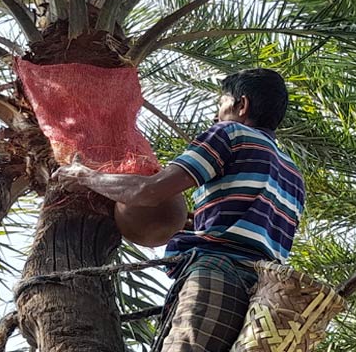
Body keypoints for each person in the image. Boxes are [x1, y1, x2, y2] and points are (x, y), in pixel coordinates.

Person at [53, 68, 305, 352]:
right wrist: (195, 223)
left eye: (219, 105)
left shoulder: (230, 134)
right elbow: (248, 224)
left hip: (218, 277)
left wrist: (84, 176)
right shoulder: (293, 174)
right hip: (264, 305)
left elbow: (148, 192)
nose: (215, 116)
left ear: (241, 105)